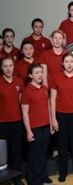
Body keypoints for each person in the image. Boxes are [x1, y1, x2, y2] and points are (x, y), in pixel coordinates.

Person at [50, 53, 73, 182]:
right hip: (61, 115)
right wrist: (53, 119)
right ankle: (63, 172)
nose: (69, 64)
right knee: (62, 145)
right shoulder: (56, 78)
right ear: (62, 64)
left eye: (71, 61)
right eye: (66, 62)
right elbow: (53, 100)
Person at [21, 63, 52, 185]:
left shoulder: (44, 88)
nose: (40, 75)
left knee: (43, 152)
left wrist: (50, 124)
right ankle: (33, 180)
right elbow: (25, 113)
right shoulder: (27, 91)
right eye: (37, 73)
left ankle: (42, 175)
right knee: (34, 154)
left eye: (41, 72)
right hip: (34, 128)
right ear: (30, 75)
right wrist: (28, 131)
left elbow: (48, 107)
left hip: (45, 125)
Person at [0, 57, 24, 185]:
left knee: (16, 151)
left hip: (17, 122)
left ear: (14, 67)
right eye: (5, 66)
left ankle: (17, 177)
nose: (8, 69)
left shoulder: (19, 82)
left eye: (10, 65)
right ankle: (5, 179)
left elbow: (22, 103)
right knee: (4, 153)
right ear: (1, 68)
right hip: (2, 123)